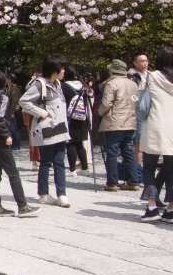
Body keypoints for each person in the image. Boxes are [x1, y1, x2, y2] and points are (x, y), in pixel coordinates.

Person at [0, 70, 40, 217]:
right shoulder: (2, 98)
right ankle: (22, 206)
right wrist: (6, 135)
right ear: (3, 83)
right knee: (13, 173)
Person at [19, 55, 71, 207]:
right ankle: (43, 193)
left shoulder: (58, 84)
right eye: (61, 68)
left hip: (60, 127)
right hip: (46, 127)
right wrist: (42, 113)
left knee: (60, 161)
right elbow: (23, 101)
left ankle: (62, 194)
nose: (63, 71)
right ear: (54, 70)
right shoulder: (39, 84)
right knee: (47, 162)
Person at [138, 47, 173, 222]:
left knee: (149, 168)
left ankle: (152, 206)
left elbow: (144, 103)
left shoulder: (153, 76)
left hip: (155, 125)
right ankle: (171, 209)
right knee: (171, 169)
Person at [98, 59, 141, 191]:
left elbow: (106, 103)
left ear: (112, 70)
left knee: (112, 152)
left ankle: (112, 182)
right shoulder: (133, 84)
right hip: (130, 122)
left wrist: (99, 113)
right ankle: (133, 181)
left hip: (114, 122)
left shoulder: (111, 84)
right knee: (129, 152)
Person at [62, 65, 92, 175]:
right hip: (83, 117)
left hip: (70, 117)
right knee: (80, 143)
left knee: (70, 143)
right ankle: (84, 167)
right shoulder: (83, 86)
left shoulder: (64, 86)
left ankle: (72, 169)